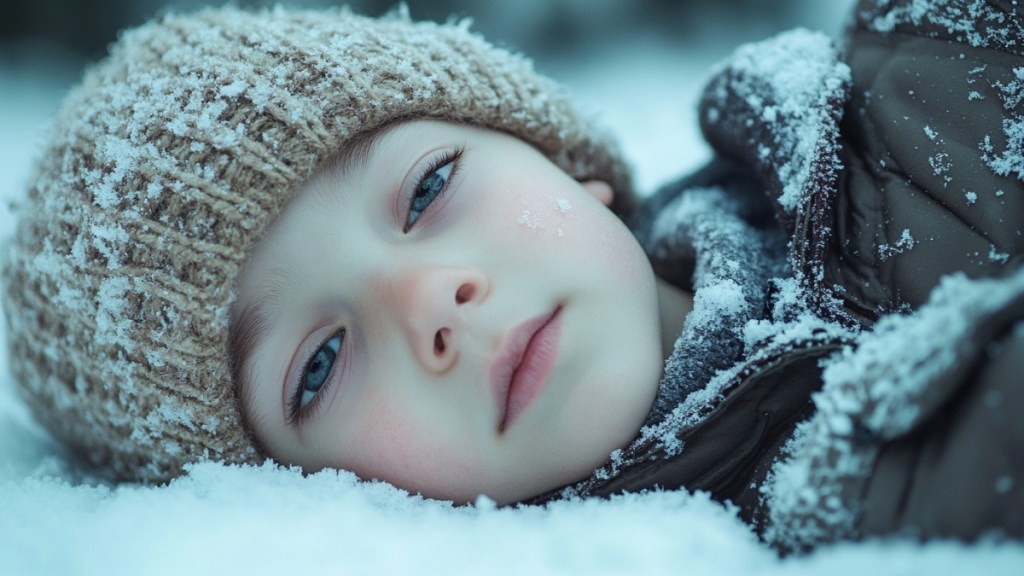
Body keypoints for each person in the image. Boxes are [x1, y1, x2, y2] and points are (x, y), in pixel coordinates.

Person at [2, 0, 1021, 553]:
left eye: (426, 189)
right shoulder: (849, 509)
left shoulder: (925, 64)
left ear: (567, 166)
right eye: (317, 367)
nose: (428, 300)